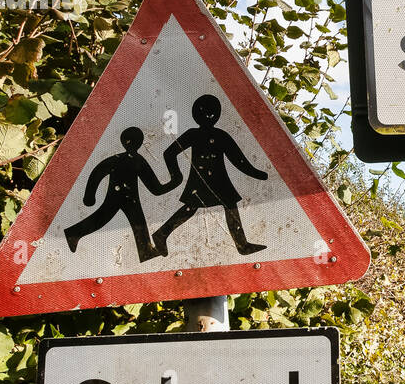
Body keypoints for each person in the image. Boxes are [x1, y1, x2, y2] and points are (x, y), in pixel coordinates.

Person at [151, 94, 269, 257]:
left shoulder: (221, 135)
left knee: (226, 205)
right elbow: (169, 153)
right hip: (202, 180)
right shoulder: (193, 134)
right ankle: (161, 234)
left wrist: (258, 173)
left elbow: (238, 159)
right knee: (195, 207)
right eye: (204, 113)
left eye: (211, 113)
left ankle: (242, 244)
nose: (208, 116)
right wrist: (176, 175)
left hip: (219, 179)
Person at [64, 126, 179, 262]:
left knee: (135, 222)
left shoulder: (122, 159)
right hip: (121, 197)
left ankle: (146, 251)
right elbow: (155, 188)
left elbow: (98, 172)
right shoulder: (137, 160)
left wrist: (89, 196)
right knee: (105, 219)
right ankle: (73, 233)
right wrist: (175, 181)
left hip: (128, 198)